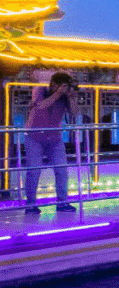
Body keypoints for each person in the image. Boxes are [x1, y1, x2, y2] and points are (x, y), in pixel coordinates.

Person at [24, 72, 78, 214]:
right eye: (63, 86)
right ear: (54, 85)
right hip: (34, 137)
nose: (65, 89)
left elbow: (74, 113)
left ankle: (62, 202)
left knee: (62, 171)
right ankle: (30, 205)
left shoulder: (64, 97)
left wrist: (71, 98)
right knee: (34, 171)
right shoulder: (40, 90)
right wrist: (58, 94)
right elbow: (40, 106)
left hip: (55, 139)